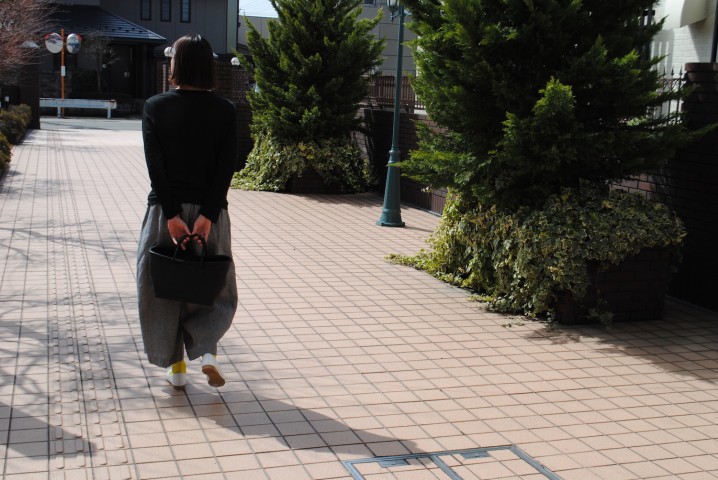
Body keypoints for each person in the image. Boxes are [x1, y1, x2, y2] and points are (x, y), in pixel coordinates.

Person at [136, 34, 238, 389]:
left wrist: (172, 214)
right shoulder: (226, 111)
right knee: (212, 284)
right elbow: (226, 167)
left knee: (162, 287)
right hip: (212, 216)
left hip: (165, 214)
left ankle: (176, 367)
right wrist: (207, 214)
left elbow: (156, 167)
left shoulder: (155, 106)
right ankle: (207, 351)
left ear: (177, 64)